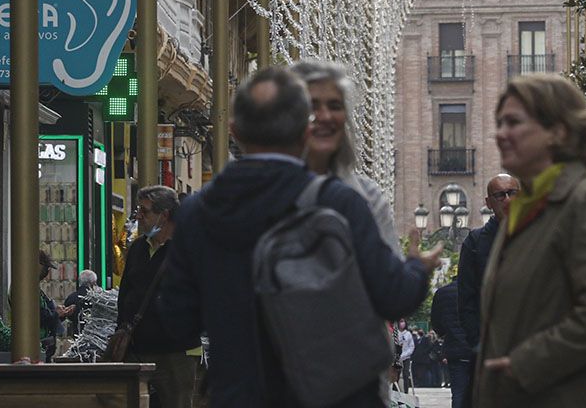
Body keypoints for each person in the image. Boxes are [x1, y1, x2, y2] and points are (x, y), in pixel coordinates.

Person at [158, 67, 441, 407]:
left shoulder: (196, 212)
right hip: (337, 395)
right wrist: (417, 268)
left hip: (242, 395)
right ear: (305, 131)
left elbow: (178, 320)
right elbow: (393, 297)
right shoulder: (340, 202)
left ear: (233, 129)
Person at [474, 73, 586, 408]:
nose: (500, 134)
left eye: (514, 122)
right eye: (499, 123)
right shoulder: (525, 208)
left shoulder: (582, 202)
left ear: (558, 131)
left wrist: (524, 364)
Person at [291, 60, 401, 256]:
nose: (325, 116)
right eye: (312, 106)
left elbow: (389, 277)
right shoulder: (265, 189)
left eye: (334, 106)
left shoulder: (369, 198)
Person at [118, 185, 193, 408]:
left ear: (165, 214)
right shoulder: (138, 248)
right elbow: (126, 292)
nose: (139, 216)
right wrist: (122, 329)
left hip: (176, 353)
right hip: (137, 349)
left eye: (145, 211)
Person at [457, 174, 520, 347]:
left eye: (512, 193)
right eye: (500, 195)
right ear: (489, 202)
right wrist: (478, 342)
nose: (507, 200)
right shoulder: (475, 242)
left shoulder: (536, 233)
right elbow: (466, 298)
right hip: (491, 344)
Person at [430, 279, 474, 408]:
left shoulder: (442, 293)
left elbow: (436, 323)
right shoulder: (478, 289)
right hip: (476, 348)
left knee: (458, 392)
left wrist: (446, 332)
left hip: (455, 349)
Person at [39, 250, 62, 362]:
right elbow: (40, 316)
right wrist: (56, 313)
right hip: (37, 346)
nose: (47, 272)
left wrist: (59, 315)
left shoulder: (36, 289)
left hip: (43, 346)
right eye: (46, 267)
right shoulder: (25, 288)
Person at [62, 269, 98, 335]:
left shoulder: (71, 297)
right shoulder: (97, 300)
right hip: (95, 335)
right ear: (93, 283)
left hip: (77, 335)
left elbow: (64, 315)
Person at [397, 318, 416, 392]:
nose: (402, 323)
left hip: (406, 357)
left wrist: (405, 354)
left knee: (405, 374)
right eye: (400, 321)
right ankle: (396, 392)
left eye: (403, 322)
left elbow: (411, 347)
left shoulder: (408, 334)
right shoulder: (395, 333)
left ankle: (405, 392)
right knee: (396, 375)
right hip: (397, 357)